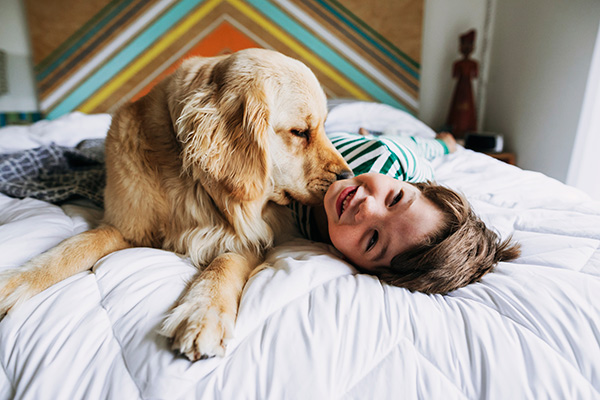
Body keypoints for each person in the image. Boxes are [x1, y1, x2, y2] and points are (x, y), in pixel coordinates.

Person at [290, 129, 520, 294]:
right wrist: (442, 146)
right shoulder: (384, 159)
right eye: (396, 199)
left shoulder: (302, 230)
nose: (366, 207)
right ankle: (443, 143)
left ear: (354, 264)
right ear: (410, 187)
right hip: (375, 150)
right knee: (419, 149)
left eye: (372, 240)